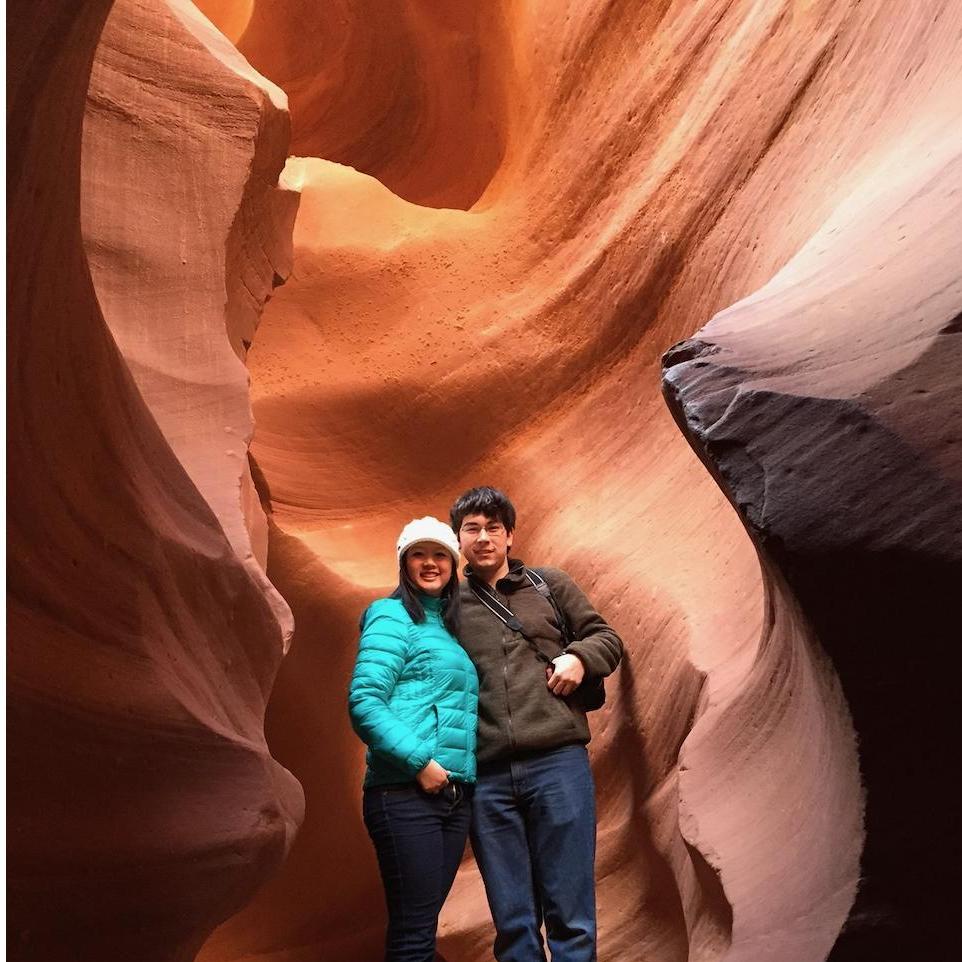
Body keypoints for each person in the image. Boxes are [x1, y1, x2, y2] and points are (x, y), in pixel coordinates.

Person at [450, 487, 623, 962]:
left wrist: (580, 658)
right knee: (513, 920)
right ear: (458, 539)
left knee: (571, 911)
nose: (483, 537)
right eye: (472, 528)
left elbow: (605, 636)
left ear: (509, 536)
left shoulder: (548, 585)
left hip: (557, 762)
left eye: (493, 528)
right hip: (485, 776)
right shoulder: (447, 606)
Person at [348, 516, 479, 962]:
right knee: (414, 935)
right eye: (418, 554)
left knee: (420, 928)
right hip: (405, 791)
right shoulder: (391, 614)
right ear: (403, 563)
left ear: (453, 564)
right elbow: (365, 701)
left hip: (451, 794)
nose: (430, 563)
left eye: (440, 554)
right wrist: (420, 763)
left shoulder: (446, 627)